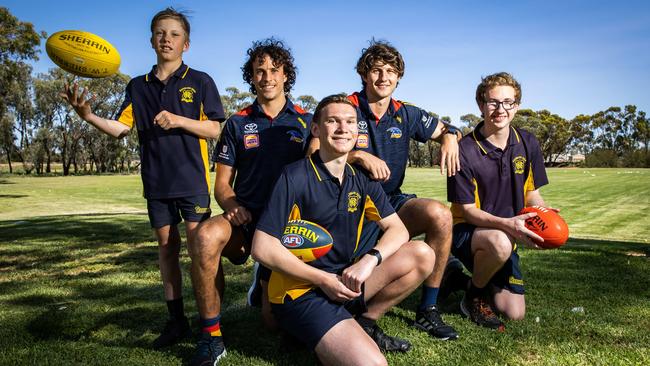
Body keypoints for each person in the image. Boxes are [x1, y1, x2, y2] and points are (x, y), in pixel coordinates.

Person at [61, 8, 224, 349]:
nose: (167, 38)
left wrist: (179, 120)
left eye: (174, 34)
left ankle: (211, 321)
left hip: (191, 181)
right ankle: (176, 321)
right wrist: (88, 115)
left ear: (186, 44)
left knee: (201, 253)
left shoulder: (200, 81)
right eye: (160, 33)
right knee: (167, 251)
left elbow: (214, 128)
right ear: (151, 39)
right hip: (156, 183)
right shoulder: (137, 86)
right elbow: (120, 129)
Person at [252, 94, 435, 365]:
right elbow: (261, 247)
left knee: (422, 254)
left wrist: (369, 261)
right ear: (316, 129)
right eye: (333, 121)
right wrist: (322, 279)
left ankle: (364, 322)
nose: (343, 128)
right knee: (373, 364)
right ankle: (315, 330)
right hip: (303, 291)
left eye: (350, 122)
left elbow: (399, 230)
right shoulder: (294, 176)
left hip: (343, 282)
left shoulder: (360, 179)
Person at [308, 40, 462, 339]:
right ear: (364, 74)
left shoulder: (406, 113)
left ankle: (428, 309)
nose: (383, 77)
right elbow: (313, 154)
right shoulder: (346, 107)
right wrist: (357, 155)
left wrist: (450, 138)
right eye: (376, 70)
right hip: (348, 201)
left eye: (391, 71)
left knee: (440, 215)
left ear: (399, 77)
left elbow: (447, 128)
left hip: (390, 200)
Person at [188, 38, 312, 365]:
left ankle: (266, 279)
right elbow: (222, 186)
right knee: (203, 237)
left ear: (287, 75)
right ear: (251, 77)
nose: (267, 76)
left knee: (273, 325)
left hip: (289, 227)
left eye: (274, 70)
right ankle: (211, 336)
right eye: (259, 71)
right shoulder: (238, 122)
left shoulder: (306, 121)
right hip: (246, 220)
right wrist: (231, 205)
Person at [447, 72, 552, 330]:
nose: (500, 109)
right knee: (500, 242)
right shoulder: (464, 150)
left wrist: (545, 216)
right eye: (493, 102)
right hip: (467, 232)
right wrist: (508, 225)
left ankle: (457, 278)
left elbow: (531, 194)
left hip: (506, 231)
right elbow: (468, 212)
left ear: (516, 106)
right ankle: (472, 296)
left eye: (508, 102)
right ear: (481, 105)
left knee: (513, 312)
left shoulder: (527, 142)